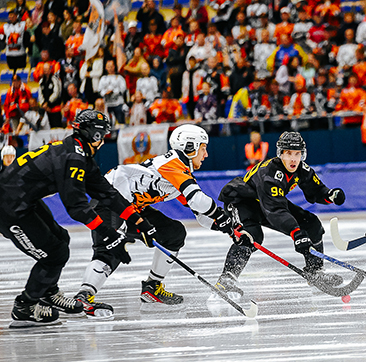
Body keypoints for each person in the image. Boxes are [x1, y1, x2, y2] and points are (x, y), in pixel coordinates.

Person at [74, 124, 233, 316]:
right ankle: (84, 296)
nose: (206, 154)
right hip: (110, 201)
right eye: (203, 148)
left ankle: (152, 287)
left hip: (132, 208)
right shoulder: (174, 164)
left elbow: (199, 213)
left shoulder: (179, 171)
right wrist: (220, 215)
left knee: (173, 234)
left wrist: (229, 227)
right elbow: (199, 201)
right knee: (111, 250)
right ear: (189, 147)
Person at [0, 110, 139, 328]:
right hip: (9, 207)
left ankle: (48, 293)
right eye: (101, 136)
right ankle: (25, 307)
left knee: (60, 237)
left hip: (22, 200)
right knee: (55, 254)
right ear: (94, 135)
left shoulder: (78, 151)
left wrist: (140, 222)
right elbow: (76, 208)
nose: (102, 141)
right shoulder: (74, 157)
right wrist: (110, 235)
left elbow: (107, 193)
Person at [214, 131, 346, 297]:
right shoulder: (269, 173)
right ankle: (226, 279)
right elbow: (275, 210)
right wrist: (296, 233)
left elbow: (316, 189)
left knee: (311, 223)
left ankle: (315, 272)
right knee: (251, 235)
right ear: (280, 154)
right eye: (289, 153)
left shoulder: (301, 168)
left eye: (297, 154)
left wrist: (330, 195)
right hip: (242, 201)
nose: (293, 159)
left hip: (267, 201)